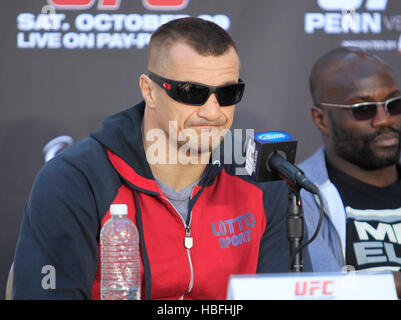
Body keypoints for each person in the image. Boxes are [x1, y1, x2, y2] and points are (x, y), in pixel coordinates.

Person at [11, 17, 304, 300]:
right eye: (192, 92)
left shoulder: (261, 177)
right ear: (149, 91)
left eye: (228, 93)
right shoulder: (76, 179)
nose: (214, 112)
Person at [298, 46, 401, 297]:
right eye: (363, 109)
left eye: (394, 104)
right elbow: (320, 290)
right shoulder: (297, 196)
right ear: (321, 119)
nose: (383, 119)